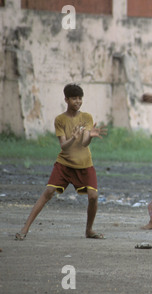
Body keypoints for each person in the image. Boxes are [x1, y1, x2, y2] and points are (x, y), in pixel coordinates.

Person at [15, 83, 107, 240]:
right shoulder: (60, 120)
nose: (77, 102)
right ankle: (25, 228)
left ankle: (89, 230)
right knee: (48, 192)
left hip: (85, 164)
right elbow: (64, 146)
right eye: (74, 99)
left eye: (80, 98)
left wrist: (89, 136)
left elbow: (84, 143)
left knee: (93, 196)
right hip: (64, 164)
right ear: (66, 99)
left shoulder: (86, 118)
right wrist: (73, 138)